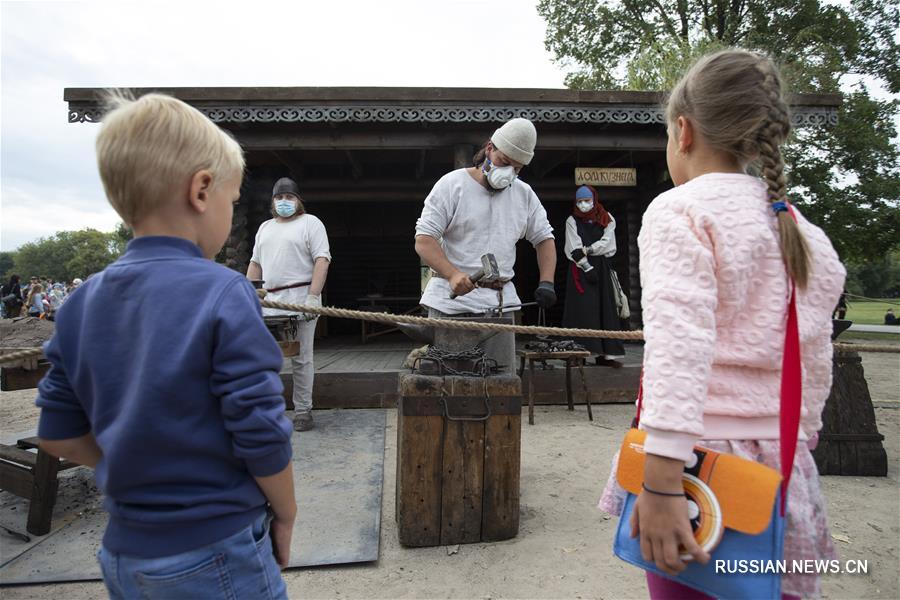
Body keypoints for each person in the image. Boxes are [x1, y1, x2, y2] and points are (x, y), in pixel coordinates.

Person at [598, 49, 846, 600]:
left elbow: (678, 348)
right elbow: (815, 358)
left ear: (682, 131)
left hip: (694, 468)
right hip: (781, 464)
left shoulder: (681, 211)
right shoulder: (802, 231)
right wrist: (799, 441)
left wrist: (661, 482)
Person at [35, 92, 294, 599]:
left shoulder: (78, 303)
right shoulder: (224, 290)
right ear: (202, 190)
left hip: (123, 552)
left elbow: (57, 435)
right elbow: (260, 431)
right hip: (216, 545)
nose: (231, 210)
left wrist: (130, 465)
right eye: (233, 200)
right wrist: (286, 511)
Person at [415, 117, 556, 369]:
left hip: (500, 309)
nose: (509, 172)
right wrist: (453, 274)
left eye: (517, 168)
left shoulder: (524, 195)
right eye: (504, 162)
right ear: (490, 148)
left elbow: (544, 239)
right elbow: (424, 241)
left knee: (500, 386)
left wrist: (547, 281)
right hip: (451, 305)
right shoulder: (452, 185)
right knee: (448, 388)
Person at [247, 177, 331, 432]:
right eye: (279, 197)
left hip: (299, 299)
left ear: (298, 200)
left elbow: (322, 259)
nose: (284, 201)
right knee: (262, 357)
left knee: (302, 358)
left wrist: (313, 297)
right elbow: (255, 264)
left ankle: (303, 410)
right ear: (273, 202)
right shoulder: (265, 228)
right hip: (268, 301)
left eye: (289, 197)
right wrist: (247, 292)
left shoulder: (310, 223)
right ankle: (266, 408)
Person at [562, 185, 626, 367]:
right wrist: (586, 267)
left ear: (594, 200)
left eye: (587, 201)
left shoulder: (607, 218)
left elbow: (608, 244)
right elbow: (573, 247)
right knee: (581, 310)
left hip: (602, 268)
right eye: (580, 201)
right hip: (580, 268)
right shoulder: (572, 220)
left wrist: (590, 249)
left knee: (605, 308)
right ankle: (577, 354)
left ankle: (606, 355)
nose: (583, 204)